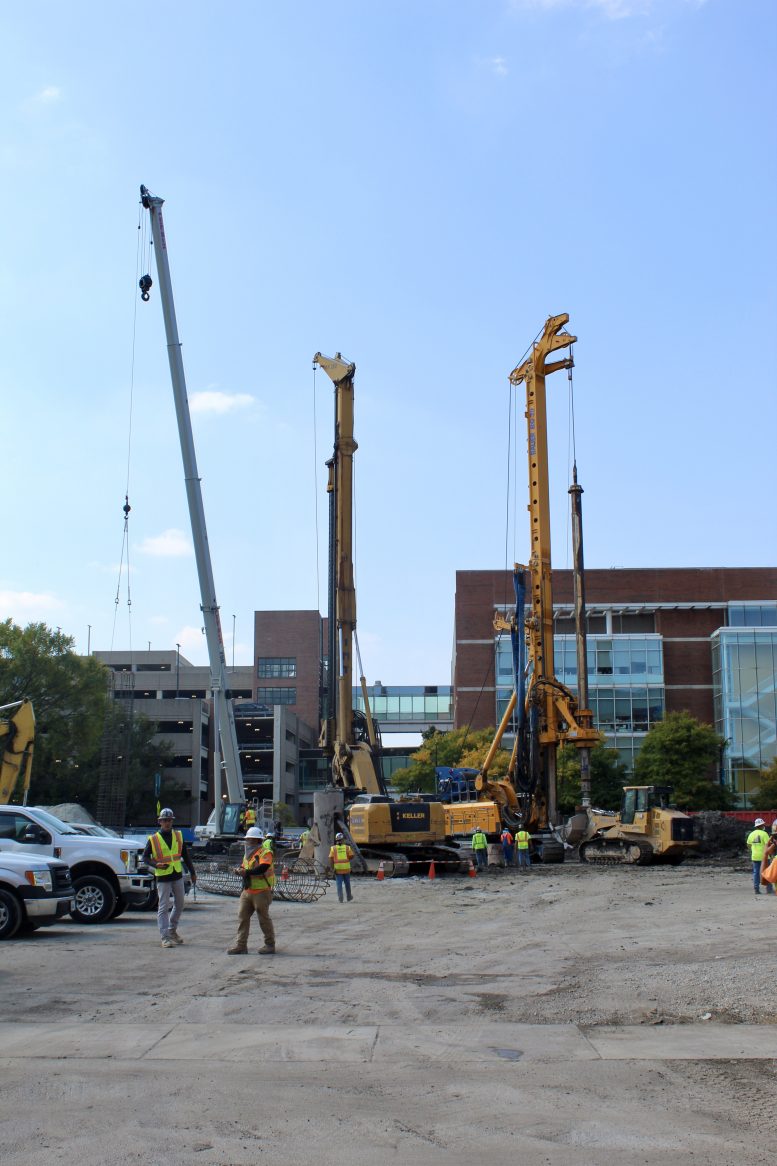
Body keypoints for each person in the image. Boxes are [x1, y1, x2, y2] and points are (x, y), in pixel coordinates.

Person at [143, 808, 197, 949]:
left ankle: (172, 930)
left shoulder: (178, 836)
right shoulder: (154, 839)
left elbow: (185, 855)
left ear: (172, 821)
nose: (167, 823)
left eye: (169, 820)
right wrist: (156, 864)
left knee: (179, 904)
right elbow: (145, 857)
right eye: (165, 820)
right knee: (163, 906)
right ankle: (165, 937)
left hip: (176, 874)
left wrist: (192, 872)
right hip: (163, 876)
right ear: (160, 822)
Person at [227, 827, 276, 954]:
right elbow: (244, 866)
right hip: (248, 891)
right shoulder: (248, 854)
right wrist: (239, 870)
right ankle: (241, 945)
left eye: (249, 839)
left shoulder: (265, 853)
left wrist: (246, 872)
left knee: (263, 919)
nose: (247, 842)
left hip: (262, 891)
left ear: (256, 840)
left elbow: (262, 868)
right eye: (247, 839)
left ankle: (270, 944)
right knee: (242, 917)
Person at [746, 818, 773, 895]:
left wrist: (753, 850)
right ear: (761, 825)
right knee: (767, 872)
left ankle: (756, 889)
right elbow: (768, 845)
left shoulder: (751, 834)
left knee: (756, 873)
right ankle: (769, 889)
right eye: (763, 824)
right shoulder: (764, 834)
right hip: (764, 857)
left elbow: (748, 845)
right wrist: (771, 855)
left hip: (755, 857)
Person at [329, 832, 354, 902]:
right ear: (343, 840)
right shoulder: (347, 847)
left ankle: (340, 898)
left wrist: (332, 868)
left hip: (337, 869)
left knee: (339, 884)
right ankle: (349, 897)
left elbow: (331, 859)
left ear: (336, 840)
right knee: (347, 883)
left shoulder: (333, 848)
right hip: (346, 868)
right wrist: (347, 859)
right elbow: (352, 856)